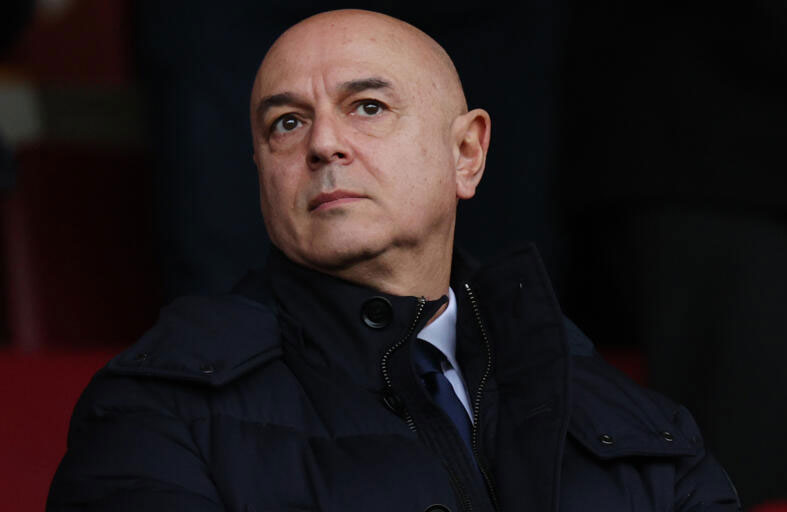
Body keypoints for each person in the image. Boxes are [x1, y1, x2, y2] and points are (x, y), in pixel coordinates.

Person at [47, 10, 740, 511]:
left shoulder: (647, 429)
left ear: (466, 153)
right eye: (286, 122)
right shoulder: (154, 411)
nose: (323, 144)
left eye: (368, 107)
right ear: (261, 173)